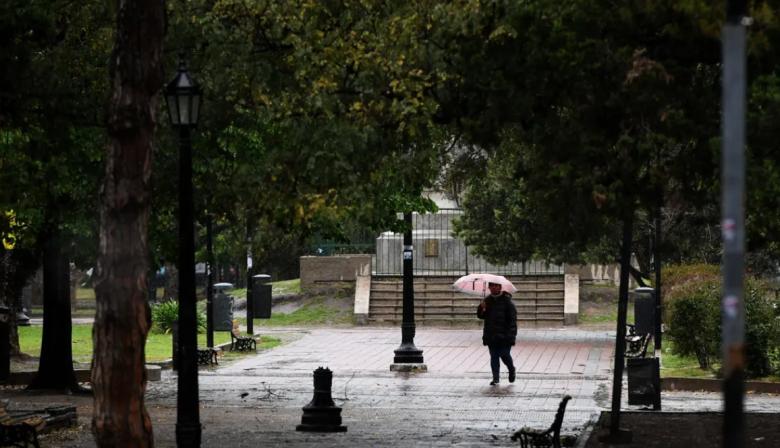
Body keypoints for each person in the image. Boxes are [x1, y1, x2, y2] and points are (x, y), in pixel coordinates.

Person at [477, 282, 517, 385]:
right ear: (489, 287)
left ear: (500, 287)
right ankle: (496, 378)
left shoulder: (507, 302)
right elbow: (481, 316)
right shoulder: (487, 301)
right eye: (492, 286)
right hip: (491, 334)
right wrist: (482, 308)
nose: (494, 288)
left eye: (496, 286)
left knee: (504, 354)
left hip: (505, 335)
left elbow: (512, 321)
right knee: (494, 356)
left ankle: (511, 369)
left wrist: (511, 336)